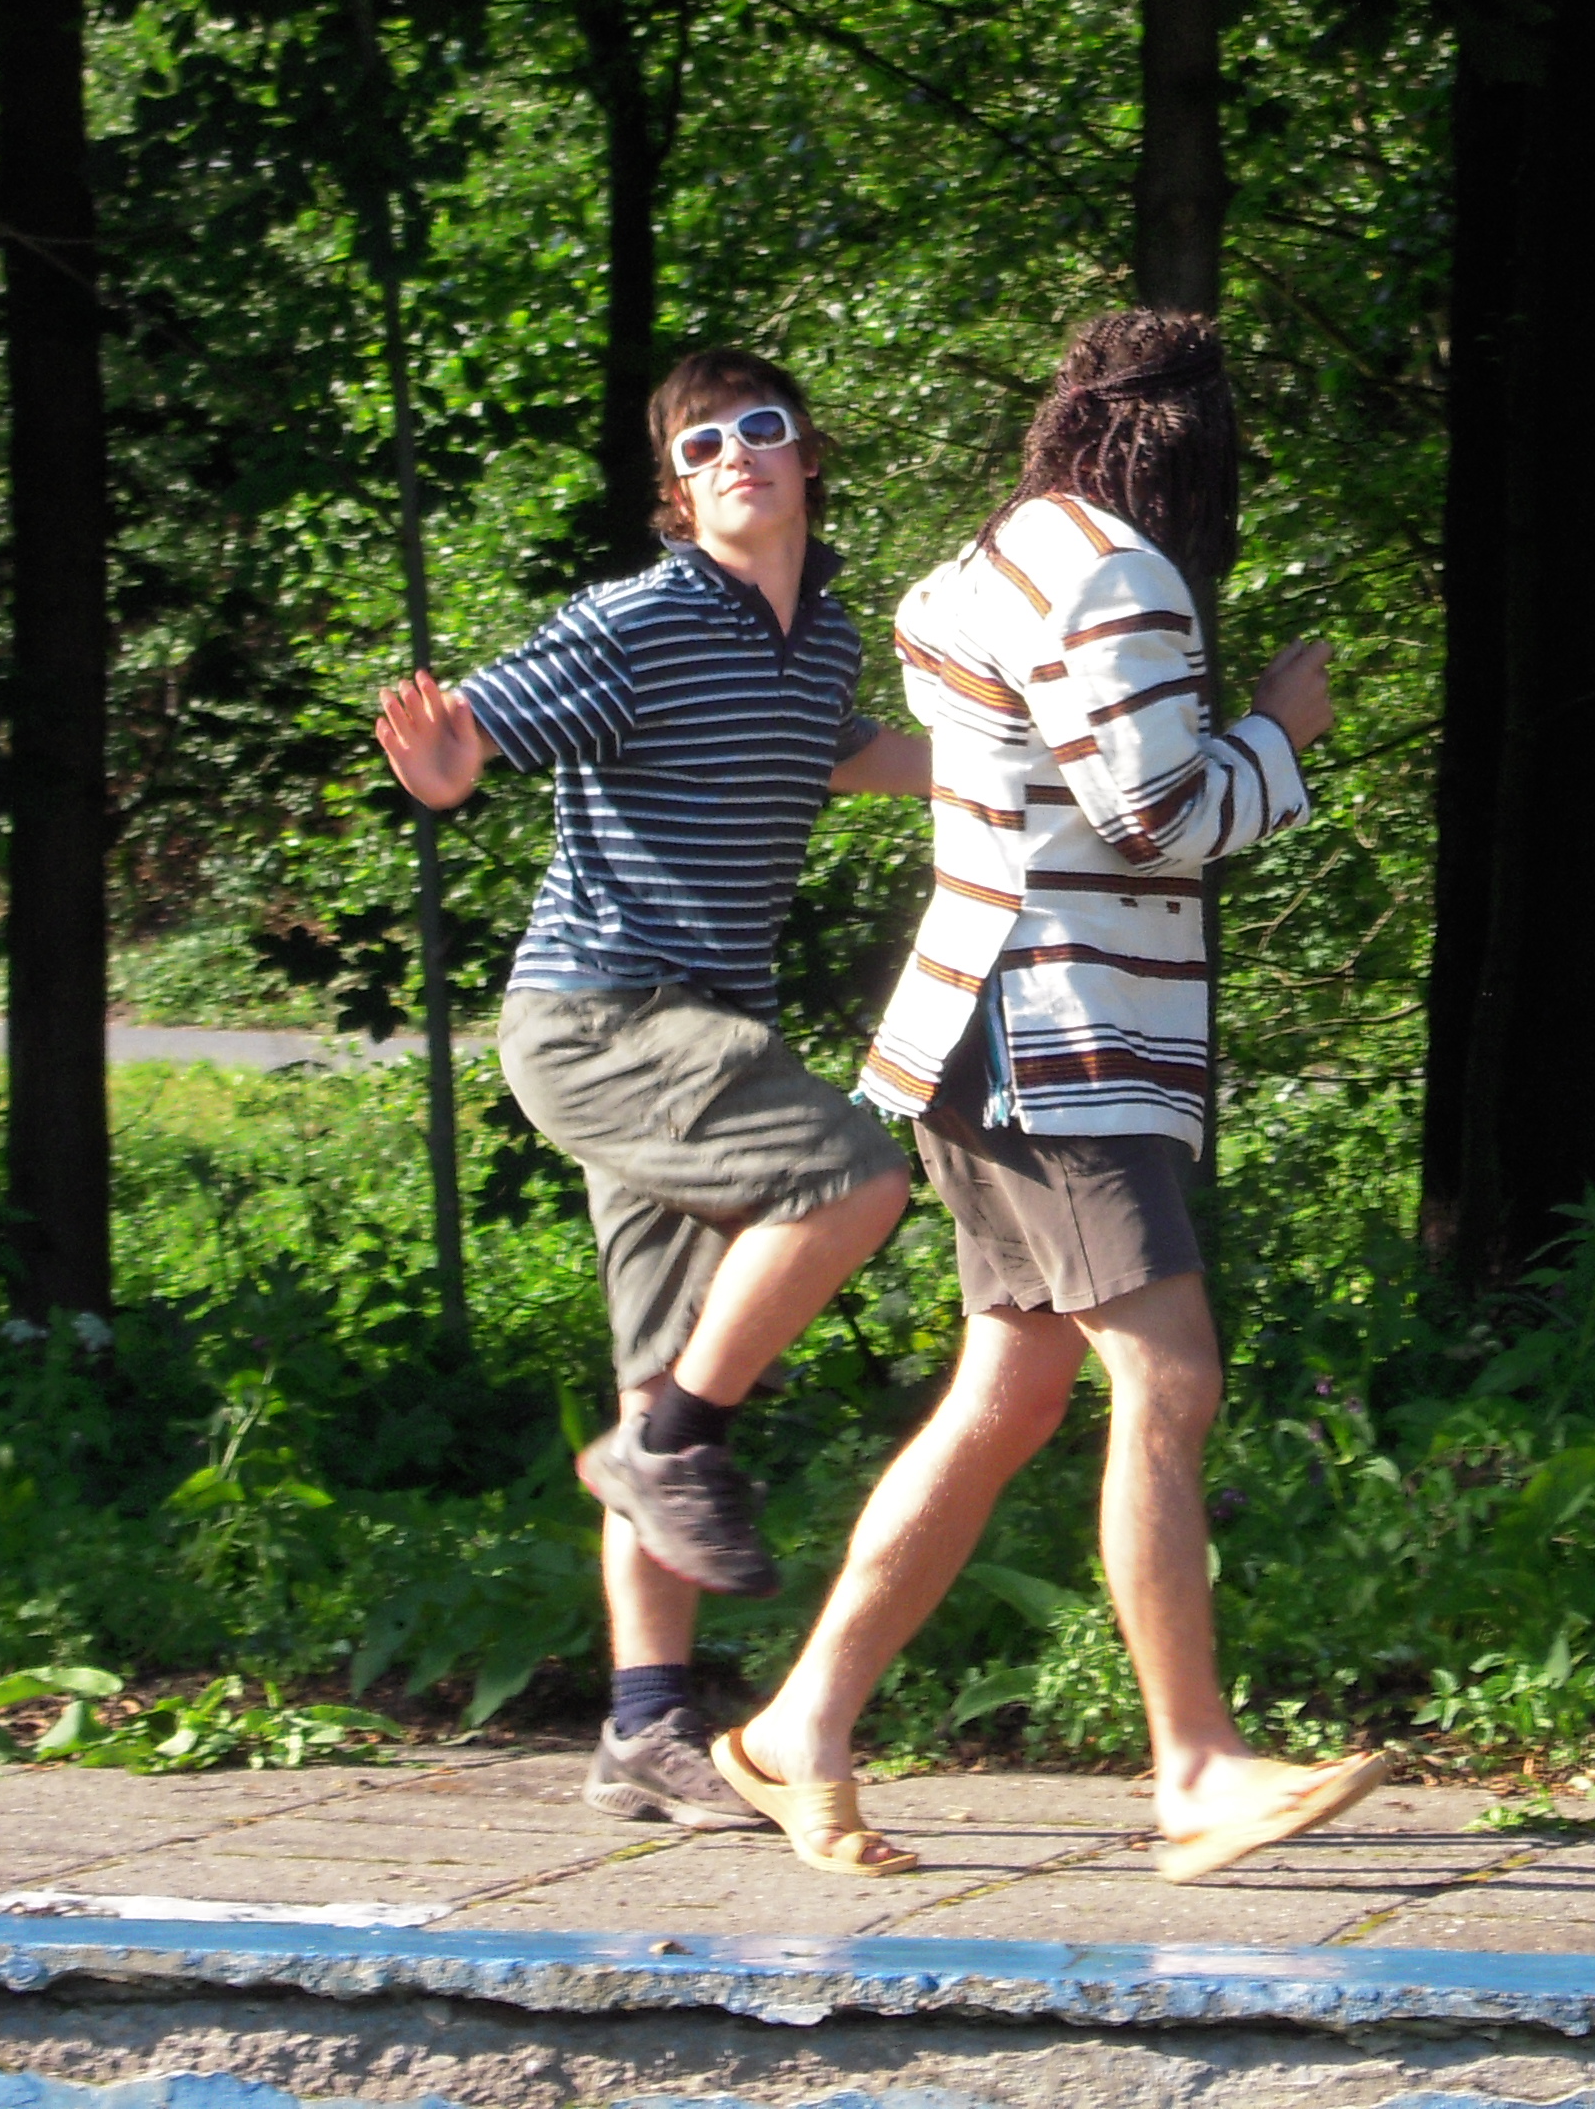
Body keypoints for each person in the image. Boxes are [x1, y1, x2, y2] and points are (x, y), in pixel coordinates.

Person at [708, 307, 1386, 1884]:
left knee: (1009, 1394)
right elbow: (1158, 817)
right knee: (1172, 1378)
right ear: (1187, 448)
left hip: (981, 1023)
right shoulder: (1114, 575)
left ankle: (799, 1726)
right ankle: (1197, 1768)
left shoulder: (992, 560)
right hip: (1062, 1032)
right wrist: (1279, 735)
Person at [371, 348, 926, 1834]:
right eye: (701, 447)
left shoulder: (820, 636)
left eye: (761, 429)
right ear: (677, 493)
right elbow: (478, 731)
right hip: (606, 1019)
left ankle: (645, 1729)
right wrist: (445, 765)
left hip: (696, 1034)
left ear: (808, 455)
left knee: (665, 1364)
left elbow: (839, 752)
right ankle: (665, 1442)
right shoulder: (642, 619)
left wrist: (1011, 771)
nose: (735, 455)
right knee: (855, 1176)